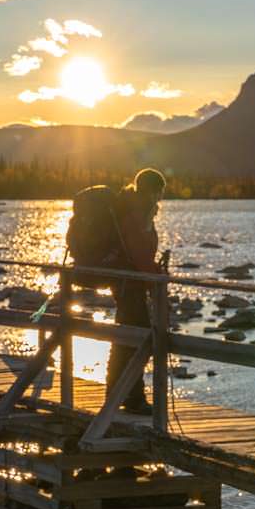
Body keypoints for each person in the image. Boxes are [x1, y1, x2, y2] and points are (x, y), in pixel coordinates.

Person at [106, 168, 167, 415]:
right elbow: (140, 254)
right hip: (131, 285)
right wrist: (157, 279)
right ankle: (133, 399)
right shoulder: (135, 216)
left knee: (125, 340)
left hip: (129, 284)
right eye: (160, 192)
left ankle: (117, 393)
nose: (161, 198)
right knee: (138, 339)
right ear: (151, 191)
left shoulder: (133, 210)